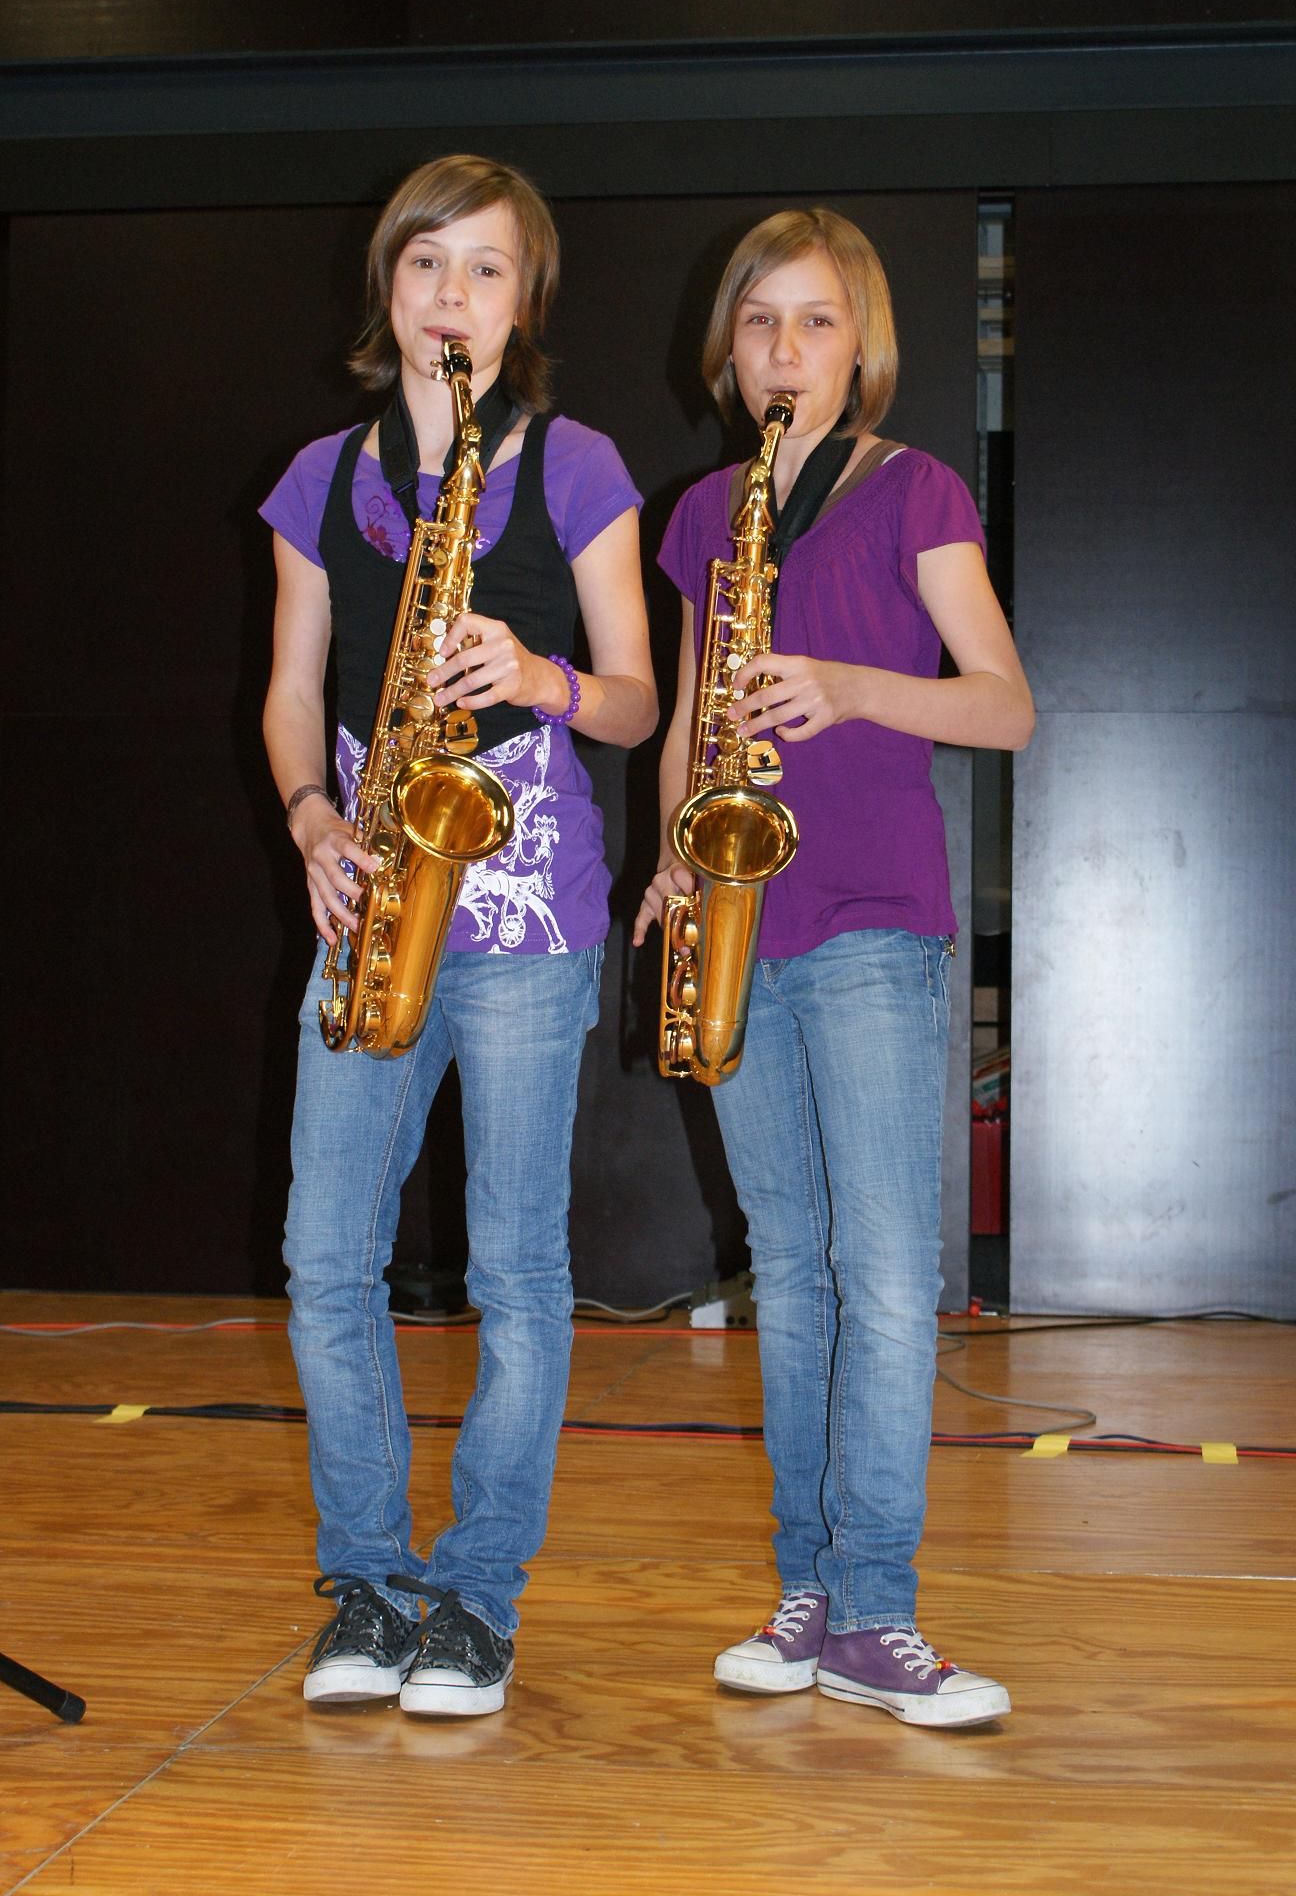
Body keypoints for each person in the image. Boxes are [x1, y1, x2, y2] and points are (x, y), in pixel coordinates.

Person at [262, 154, 656, 1717]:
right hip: (371, 891)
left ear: (523, 303)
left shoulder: (576, 463)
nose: (453, 293)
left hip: (530, 911)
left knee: (517, 1268)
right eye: (428, 262)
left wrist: (542, 678)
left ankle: (478, 1596)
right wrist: (312, 818)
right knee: (324, 1261)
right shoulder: (318, 476)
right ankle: (367, 1584)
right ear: (390, 285)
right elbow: (293, 688)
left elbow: (637, 698)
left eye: (487, 269)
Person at [634, 208, 1033, 1728]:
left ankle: (876, 1607)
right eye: (760, 323)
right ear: (729, 353)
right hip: (742, 919)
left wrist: (853, 688)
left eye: (814, 321)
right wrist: (673, 856)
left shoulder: (917, 490)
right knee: (788, 1271)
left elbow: (1004, 706)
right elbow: (686, 722)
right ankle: (807, 1593)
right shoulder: (702, 514)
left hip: (872, 918)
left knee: (884, 1274)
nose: (785, 348)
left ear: (861, 346)